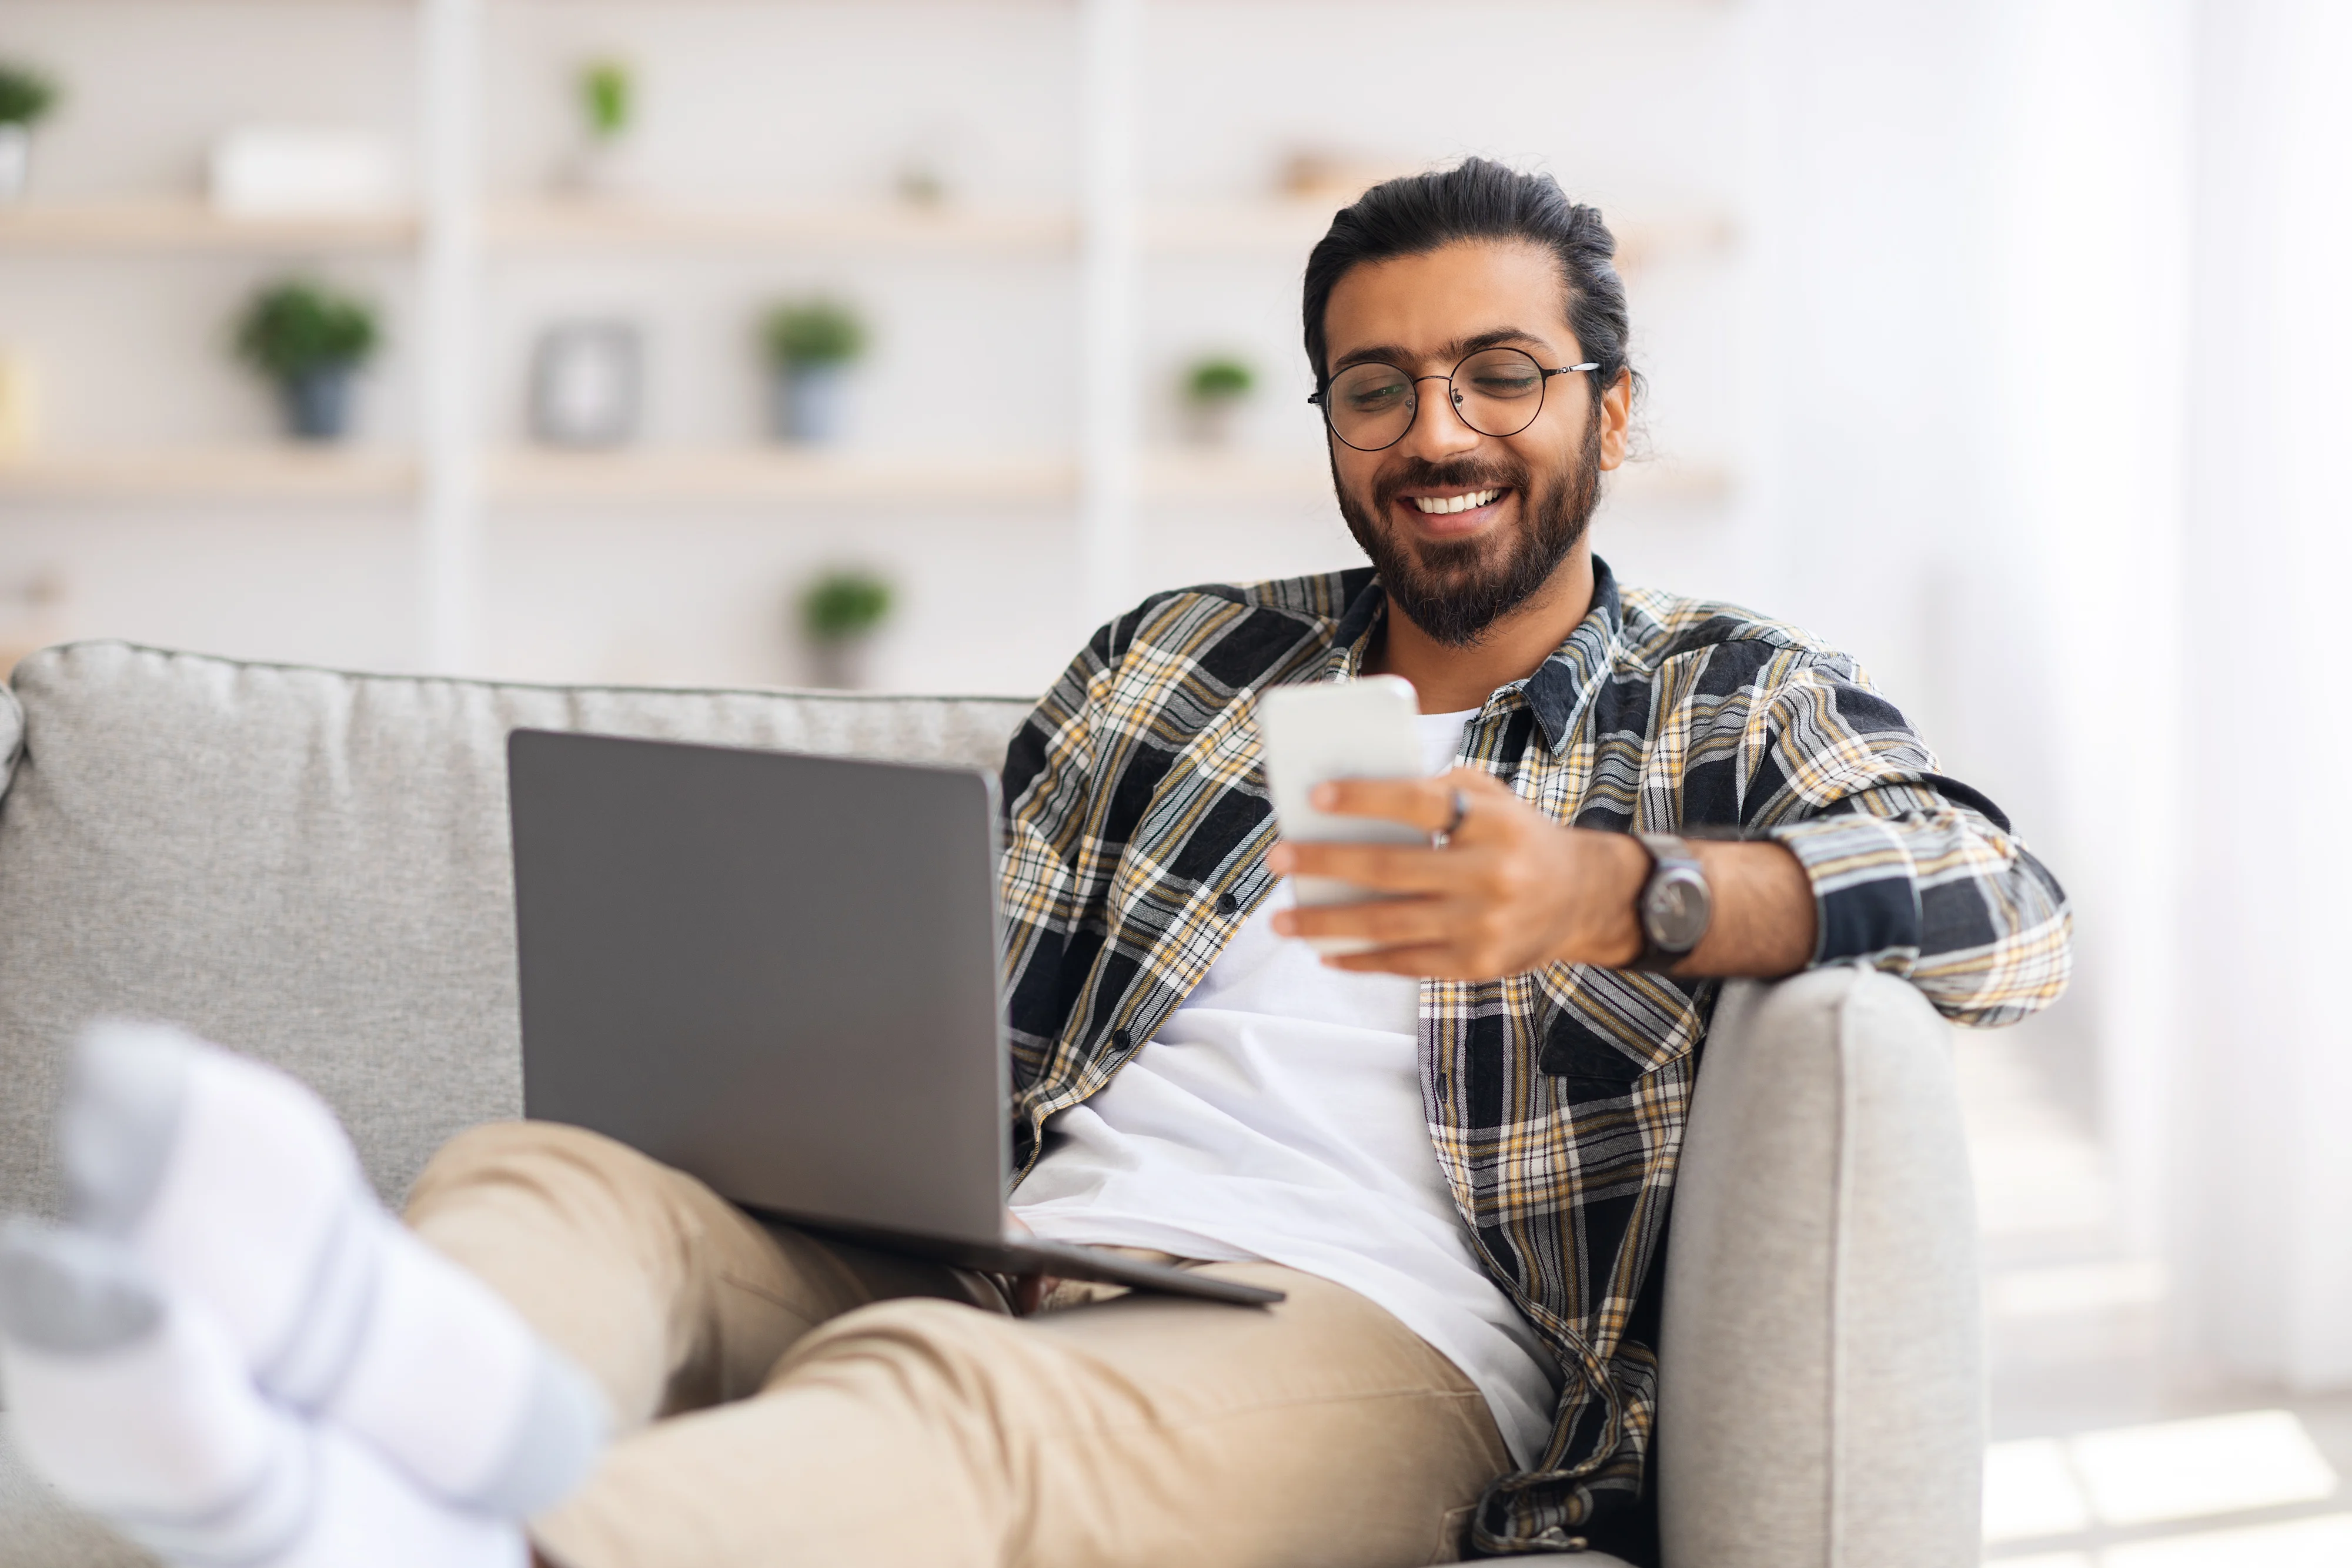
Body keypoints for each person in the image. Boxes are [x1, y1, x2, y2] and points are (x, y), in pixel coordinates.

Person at [0, 160, 2070, 1568]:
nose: (1437, 430)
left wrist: (1628, 893)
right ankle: (393, 1395)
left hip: (1372, 1334)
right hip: (1009, 1235)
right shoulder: (1178, 660)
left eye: (1502, 376)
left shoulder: (1724, 696)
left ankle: (402, 1525)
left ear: (1610, 416)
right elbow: (944, 992)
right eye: (1379, 386)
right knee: (557, 1175)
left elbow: (2002, 900)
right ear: (1333, 423)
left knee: (957, 1406)